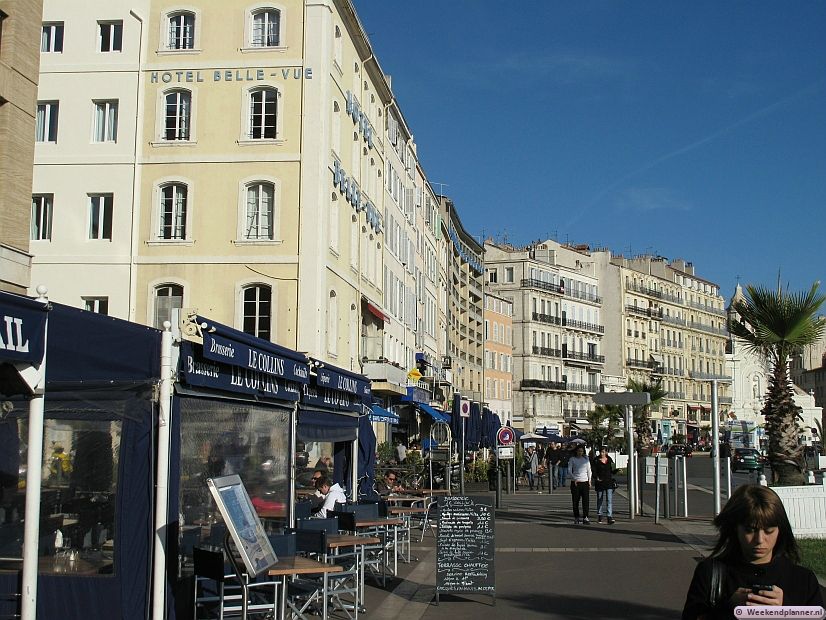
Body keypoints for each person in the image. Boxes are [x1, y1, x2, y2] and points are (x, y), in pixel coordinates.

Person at [682, 484, 824, 619]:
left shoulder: (803, 579)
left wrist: (785, 609)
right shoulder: (710, 573)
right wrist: (730, 608)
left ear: (780, 530)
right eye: (750, 530)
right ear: (735, 529)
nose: (760, 539)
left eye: (769, 531)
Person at [568, 444, 591, 524]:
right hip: (576, 482)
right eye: (578, 451)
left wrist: (589, 480)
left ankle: (585, 517)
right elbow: (569, 470)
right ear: (576, 451)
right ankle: (576, 517)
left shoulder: (586, 459)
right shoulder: (572, 459)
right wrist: (574, 478)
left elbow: (589, 470)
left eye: (581, 451)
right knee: (575, 501)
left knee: (586, 501)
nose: (580, 452)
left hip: (585, 482)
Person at [592, 446, 615, 524]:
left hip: (608, 481)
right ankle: (600, 515)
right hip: (600, 482)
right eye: (601, 452)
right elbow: (593, 471)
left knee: (609, 499)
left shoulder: (609, 460)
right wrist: (596, 477)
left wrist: (616, 471)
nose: (603, 453)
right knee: (600, 499)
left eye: (604, 452)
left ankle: (609, 516)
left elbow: (611, 470)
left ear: (606, 452)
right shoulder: (596, 460)